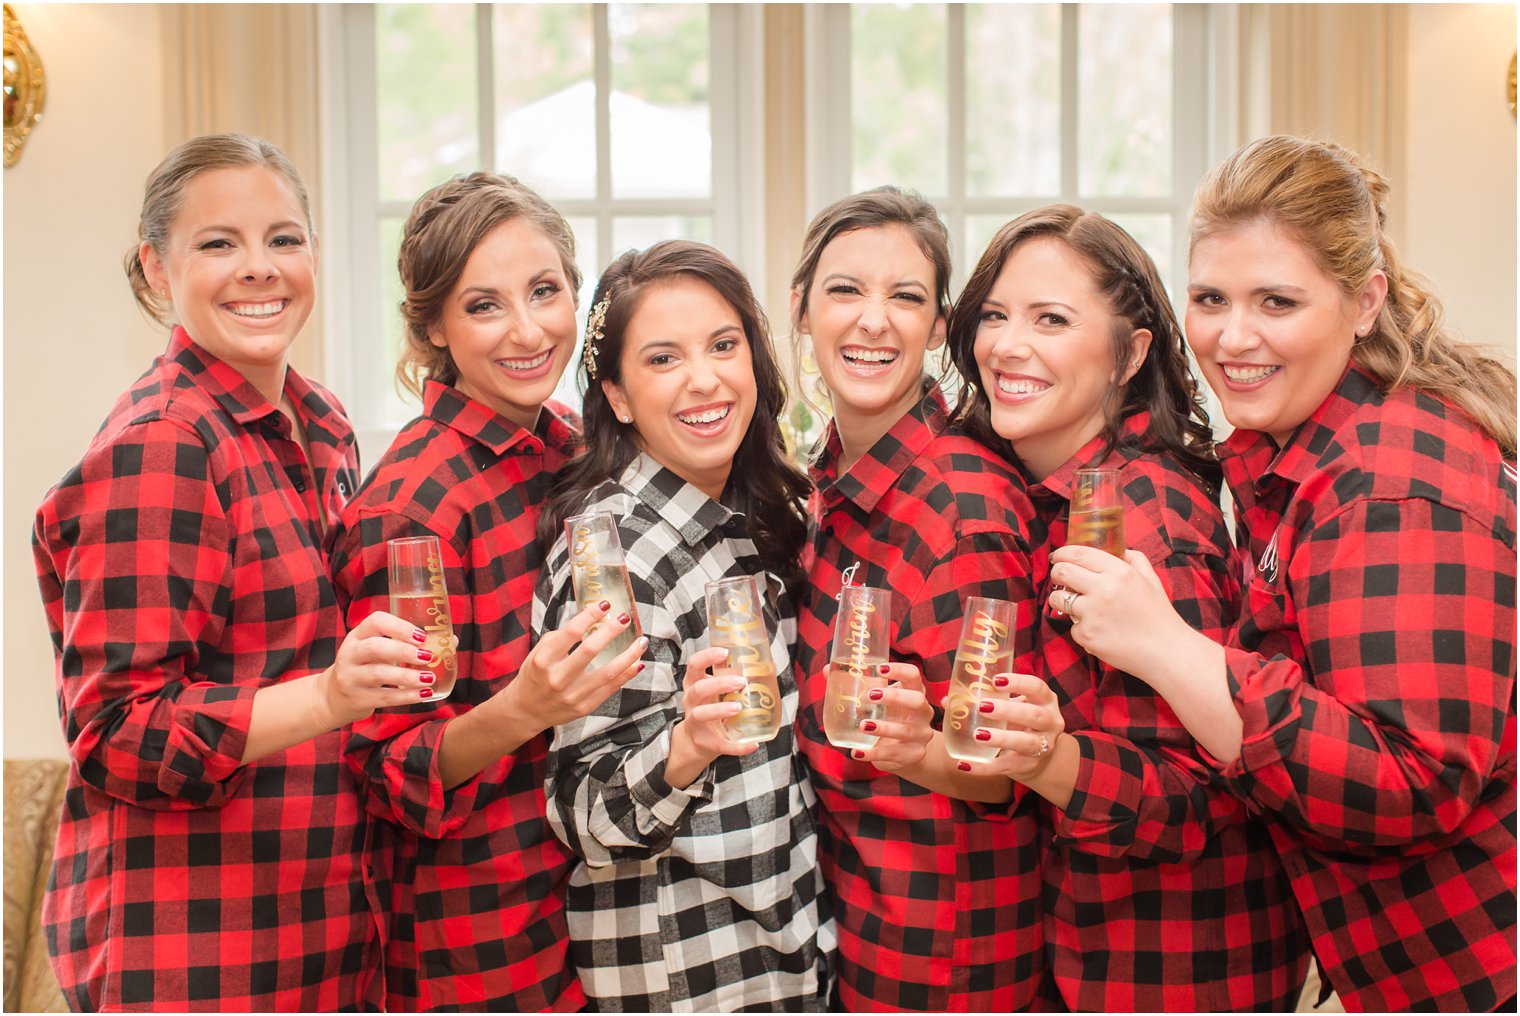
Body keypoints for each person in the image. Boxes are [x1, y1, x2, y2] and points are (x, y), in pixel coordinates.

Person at [1047, 137, 1517, 1012]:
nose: (1233, 337)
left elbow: (1416, 781)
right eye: (1211, 299)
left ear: (1366, 300)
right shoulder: (1296, 445)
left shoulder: (1392, 481)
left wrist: (1168, 650)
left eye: (1277, 302)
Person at [31, 133, 426, 1011]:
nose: (259, 268)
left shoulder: (319, 420)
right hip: (196, 952)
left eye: (283, 239)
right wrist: (332, 696)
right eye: (219, 244)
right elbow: (114, 732)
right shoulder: (163, 445)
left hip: (325, 929)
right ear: (157, 269)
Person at [943, 204, 1309, 1011]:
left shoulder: (1143, 519)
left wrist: (1046, 758)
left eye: (1052, 319)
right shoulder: (1038, 495)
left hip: (1176, 972)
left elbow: (1202, 798)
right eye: (996, 316)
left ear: (1128, 354)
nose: (1008, 345)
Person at [329, 172, 645, 1011]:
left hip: (608, 910)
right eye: (484, 305)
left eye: (545, 291)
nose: (527, 329)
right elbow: (391, 768)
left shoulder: (576, 450)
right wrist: (523, 706)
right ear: (432, 324)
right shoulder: (414, 506)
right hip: (485, 942)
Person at [533, 240, 826, 1012]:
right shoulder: (616, 554)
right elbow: (583, 811)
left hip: (781, 955)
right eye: (663, 359)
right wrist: (684, 748)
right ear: (619, 398)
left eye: (724, 345)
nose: (705, 378)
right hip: (686, 977)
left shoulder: (752, 519)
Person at [787, 187, 1049, 1011]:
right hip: (856, 924)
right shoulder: (829, 479)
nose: (874, 321)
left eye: (906, 297)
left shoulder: (960, 506)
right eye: (845, 290)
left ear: (939, 328)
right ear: (801, 310)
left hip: (943, 954)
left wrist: (915, 747)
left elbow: (1002, 774)